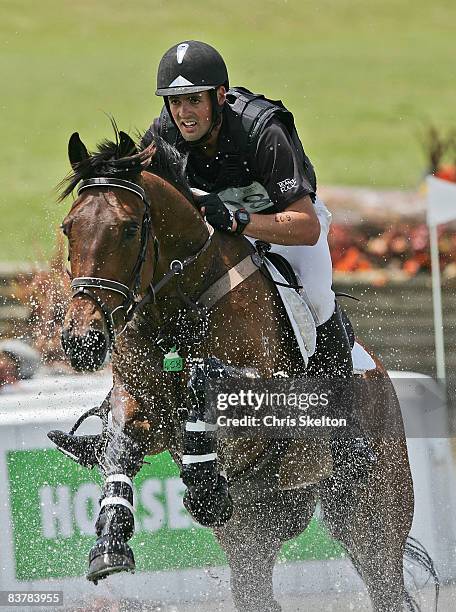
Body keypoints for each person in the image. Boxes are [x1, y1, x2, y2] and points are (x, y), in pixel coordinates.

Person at [143, 41, 376, 485]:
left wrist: (242, 218)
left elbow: (306, 226)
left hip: (283, 226)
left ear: (221, 95)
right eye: (175, 102)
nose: (183, 113)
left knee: (316, 297)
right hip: (220, 239)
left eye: (194, 99)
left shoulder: (261, 129)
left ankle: (346, 430)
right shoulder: (163, 135)